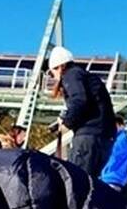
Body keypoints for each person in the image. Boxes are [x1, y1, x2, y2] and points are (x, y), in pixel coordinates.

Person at [47, 46, 117, 178]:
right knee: (91, 184)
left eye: (51, 73)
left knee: (77, 181)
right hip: (105, 137)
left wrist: (67, 123)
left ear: (59, 67)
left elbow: (79, 100)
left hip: (88, 137)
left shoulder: (71, 75)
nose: (53, 78)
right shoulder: (86, 77)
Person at [99, 115, 127, 189]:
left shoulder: (120, 140)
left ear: (120, 125)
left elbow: (112, 157)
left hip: (111, 177)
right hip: (115, 178)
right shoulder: (122, 139)